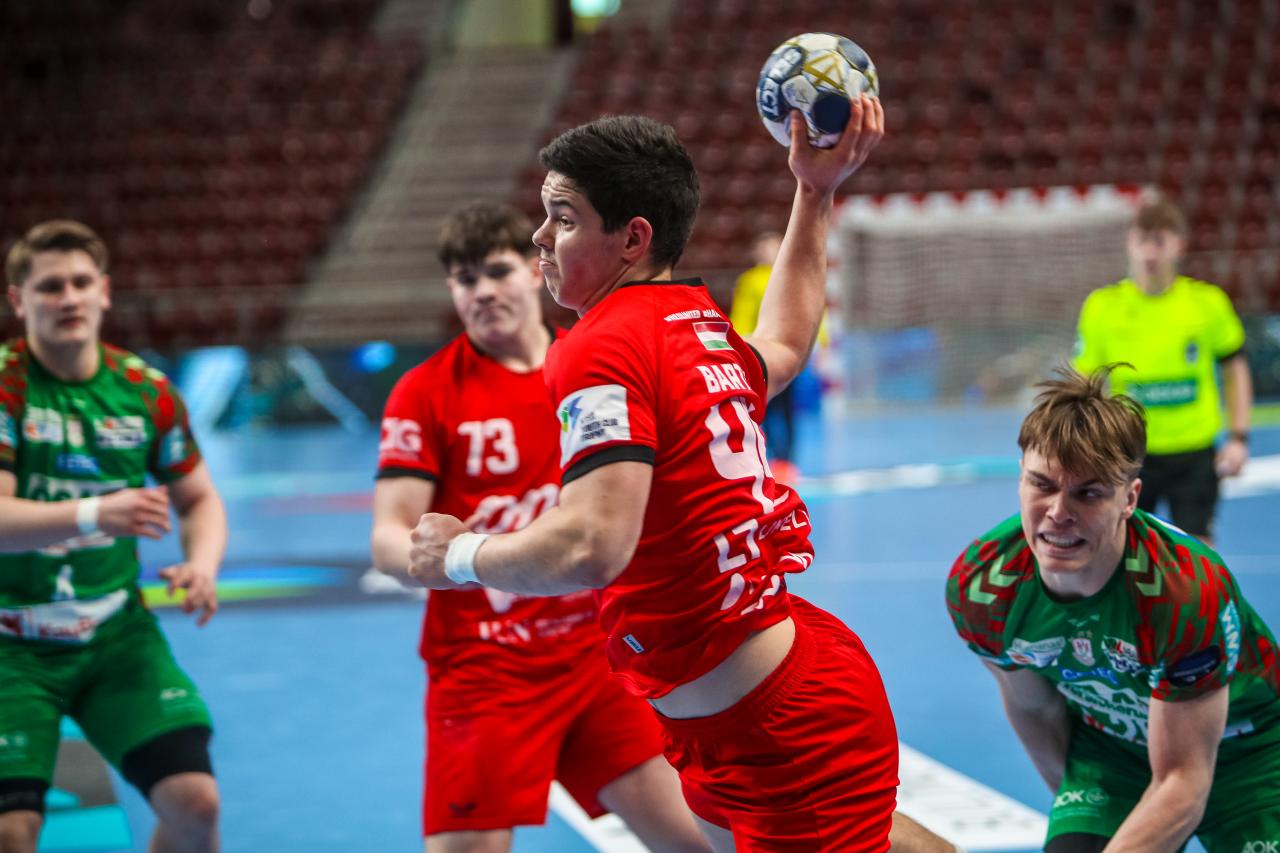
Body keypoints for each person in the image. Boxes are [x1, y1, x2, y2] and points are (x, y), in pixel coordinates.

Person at [402, 104, 957, 851]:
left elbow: (593, 544)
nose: (539, 237)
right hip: (744, 709)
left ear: (632, 239)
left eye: (563, 218)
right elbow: (785, 341)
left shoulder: (599, 345)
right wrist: (813, 192)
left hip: (779, 726)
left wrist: (460, 556)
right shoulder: (692, 321)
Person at [369, 201, 710, 853]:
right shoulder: (426, 391)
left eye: (497, 272)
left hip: (596, 657)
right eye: (466, 279)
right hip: (485, 670)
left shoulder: (590, 365)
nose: (483, 291)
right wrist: (434, 555)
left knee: (698, 837)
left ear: (534, 270)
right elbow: (389, 533)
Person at [946, 364, 1280, 852]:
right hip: (1111, 756)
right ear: (1020, 479)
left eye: (1089, 493)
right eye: (1042, 485)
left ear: (1130, 498)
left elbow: (1184, 779)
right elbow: (1033, 708)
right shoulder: (984, 587)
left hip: (1249, 754)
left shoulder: (1183, 590)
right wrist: (1086, 812)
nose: (1059, 512)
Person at [0, 220, 227, 852]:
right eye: (50, 287)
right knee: (11, 832)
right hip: (10, 644)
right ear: (18, 300)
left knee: (195, 803)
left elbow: (199, 497)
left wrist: (201, 563)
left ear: (104, 291)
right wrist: (95, 513)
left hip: (114, 637)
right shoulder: (6, 386)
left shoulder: (144, 392)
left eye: (81, 283)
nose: (68, 298)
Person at [1073, 196, 1252, 545]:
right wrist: (1082, 443)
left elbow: (1235, 371)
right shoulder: (1101, 307)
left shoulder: (1208, 303)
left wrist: (1238, 438)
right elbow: (1084, 383)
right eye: (1142, 240)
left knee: (1198, 554)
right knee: (1123, 552)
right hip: (1129, 453)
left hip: (1194, 453)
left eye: (1159, 241)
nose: (1150, 252)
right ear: (1129, 243)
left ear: (1179, 245)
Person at [729, 231, 798, 482]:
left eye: (773, 247)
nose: (769, 252)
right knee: (764, 406)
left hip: (788, 351)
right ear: (756, 253)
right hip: (762, 351)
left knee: (788, 408)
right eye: (764, 248)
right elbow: (742, 313)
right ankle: (768, 458)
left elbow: (808, 311)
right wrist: (739, 344)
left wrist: (820, 342)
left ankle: (787, 460)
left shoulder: (790, 275)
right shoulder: (749, 280)